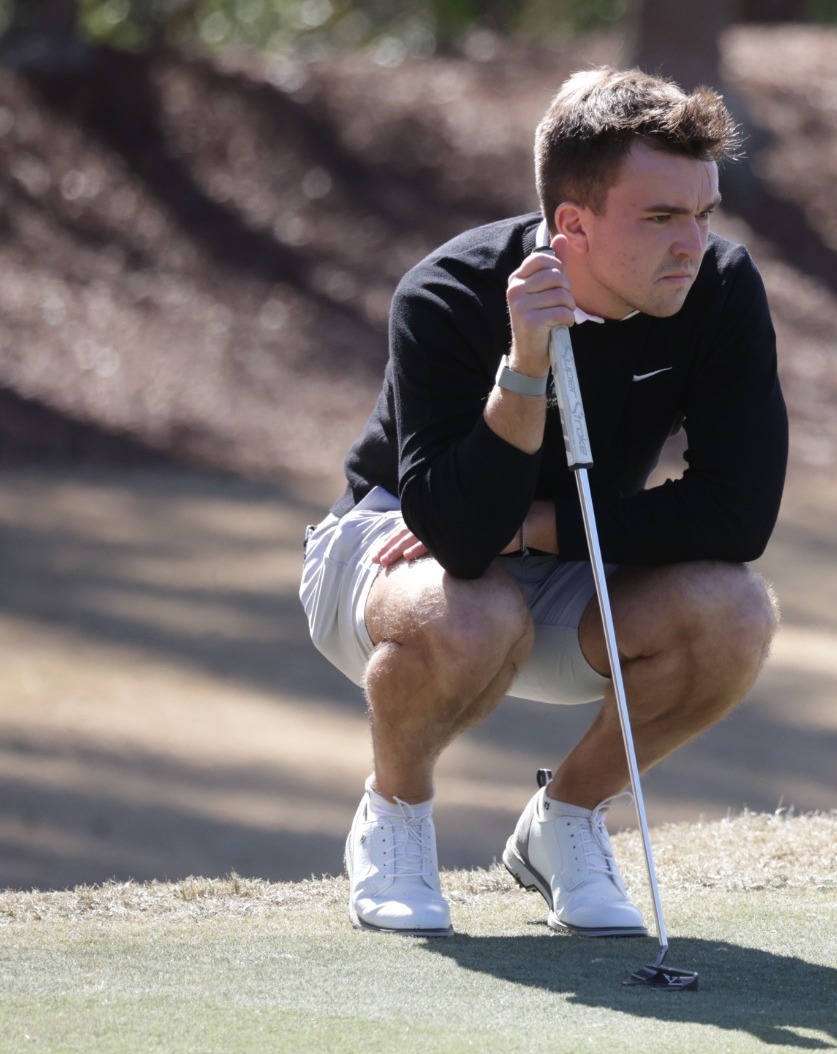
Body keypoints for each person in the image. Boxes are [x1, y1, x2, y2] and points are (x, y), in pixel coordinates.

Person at [298, 66, 788, 938]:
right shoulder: (450, 291)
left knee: (735, 611)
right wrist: (524, 366)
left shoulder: (717, 287)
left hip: (569, 555)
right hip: (396, 551)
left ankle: (565, 822)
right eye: (660, 217)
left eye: (703, 214)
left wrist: (538, 527)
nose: (692, 243)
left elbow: (738, 514)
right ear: (573, 224)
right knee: (470, 614)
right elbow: (459, 535)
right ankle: (395, 815)